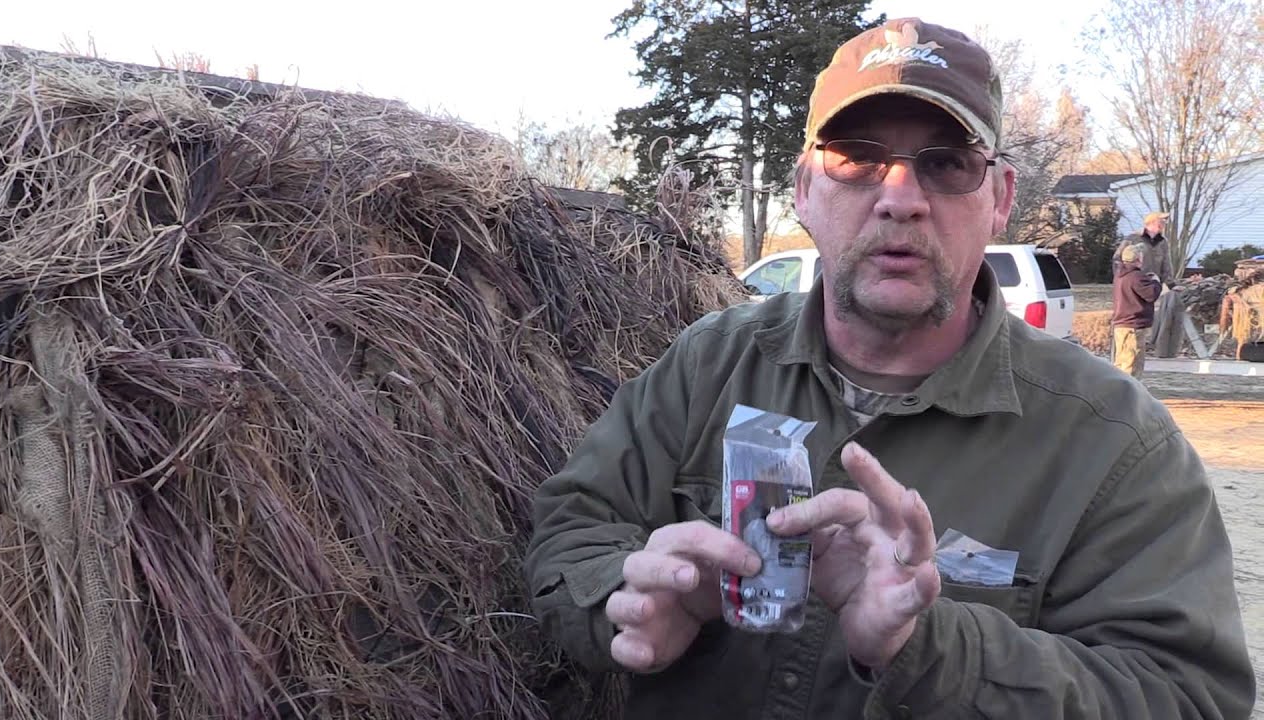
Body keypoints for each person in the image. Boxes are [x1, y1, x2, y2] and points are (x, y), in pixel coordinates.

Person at [524, 17, 1253, 719]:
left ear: (999, 198)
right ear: (806, 190)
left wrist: (924, 648)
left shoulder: (1115, 444)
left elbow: (1184, 695)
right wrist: (625, 597)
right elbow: (572, 525)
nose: (900, 198)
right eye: (857, 158)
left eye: (945, 163)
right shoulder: (706, 365)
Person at [1111, 244, 1163, 377]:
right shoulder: (1136, 276)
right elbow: (1151, 294)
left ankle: (1120, 392)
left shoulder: (1120, 275)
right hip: (1132, 327)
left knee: (1121, 363)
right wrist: (1156, 282)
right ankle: (1129, 395)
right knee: (1131, 365)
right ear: (1138, 259)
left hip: (1122, 325)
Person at [1113, 211, 1176, 287]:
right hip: (1135, 283)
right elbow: (1117, 259)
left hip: (1154, 285)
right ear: (1152, 222)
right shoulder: (1133, 238)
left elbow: (1166, 265)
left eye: (1164, 222)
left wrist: (1170, 284)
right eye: (1161, 221)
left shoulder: (1163, 242)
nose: (1164, 224)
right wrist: (1121, 278)